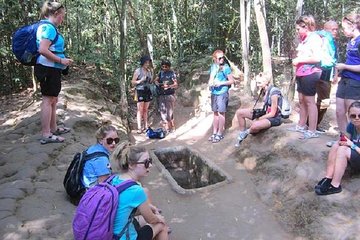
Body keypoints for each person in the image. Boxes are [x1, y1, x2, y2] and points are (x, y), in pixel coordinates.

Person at [111, 143, 169, 240]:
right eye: (146, 162)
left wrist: (149, 206)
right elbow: (150, 219)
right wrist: (159, 218)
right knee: (161, 224)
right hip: (122, 237)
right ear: (131, 165)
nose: (150, 165)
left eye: (150, 161)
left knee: (142, 220)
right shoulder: (136, 190)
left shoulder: (115, 179)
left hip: (108, 232)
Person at [36, 1, 73, 144]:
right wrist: (61, 60)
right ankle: (46, 133)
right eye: (62, 16)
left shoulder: (47, 27)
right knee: (48, 100)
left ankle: (53, 127)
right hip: (48, 68)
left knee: (53, 99)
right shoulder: (48, 28)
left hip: (52, 68)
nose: (62, 19)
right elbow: (42, 50)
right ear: (56, 14)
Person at [288, 15, 323, 139]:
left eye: (298, 29)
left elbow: (317, 57)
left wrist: (300, 60)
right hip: (301, 73)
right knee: (302, 100)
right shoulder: (304, 39)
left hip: (311, 73)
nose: (297, 31)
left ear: (306, 27)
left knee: (310, 102)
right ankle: (301, 125)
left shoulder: (315, 38)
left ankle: (312, 130)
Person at [315, 101, 360, 195]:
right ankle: (328, 177)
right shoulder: (352, 126)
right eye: (353, 116)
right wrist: (342, 141)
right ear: (348, 116)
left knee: (343, 150)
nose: (357, 118)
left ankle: (335, 185)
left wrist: (351, 145)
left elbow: (351, 144)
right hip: (356, 156)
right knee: (336, 145)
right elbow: (347, 140)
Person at [235, 74, 282, 147]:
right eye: (257, 82)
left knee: (254, 125)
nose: (257, 85)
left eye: (259, 83)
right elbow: (265, 105)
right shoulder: (264, 90)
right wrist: (255, 111)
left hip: (274, 117)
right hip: (265, 112)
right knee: (240, 113)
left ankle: (247, 132)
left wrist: (259, 119)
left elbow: (273, 113)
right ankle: (242, 133)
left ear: (266, 82)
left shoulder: (274, 93)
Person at [334, 13, 360, 137]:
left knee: (353, 114)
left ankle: (354, 142)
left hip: (355, 82)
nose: (343, 31)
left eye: (345, 28)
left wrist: (345, 66)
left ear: (353, 26)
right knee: (339, 111)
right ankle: (344, 138)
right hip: (344, 80)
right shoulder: (351, 41)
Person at [314, 20, 339, 132]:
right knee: (321, 101)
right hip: (318, 73)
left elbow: (335, 60)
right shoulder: (320, 39)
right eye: (332, 29)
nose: (335, 31)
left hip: (328, 75)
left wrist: (336, 74)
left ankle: (314, 124)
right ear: (325, 29)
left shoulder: (333, 43)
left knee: (323, 101)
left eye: (336, 29)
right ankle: (311, 124)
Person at [207, 50, 234, 143]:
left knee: (221, 113)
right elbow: (211, 78)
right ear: (214, 59)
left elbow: (231, 81)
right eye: (219, 58)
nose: (222, 59)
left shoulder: (226, 68)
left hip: (222, 92)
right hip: (214, 92)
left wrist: (221, 83)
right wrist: (210, 83)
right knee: (215, 113)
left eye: (223, 57)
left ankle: (220, 133)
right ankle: (214, 132)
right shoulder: (213, 67)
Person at [82, 124, 119, 188]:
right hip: (90, 190)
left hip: (84, 182)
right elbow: (103, 183)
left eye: (116, 140)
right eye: (110, 140)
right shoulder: (102, 159)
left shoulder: (93, 148)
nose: (114, 143)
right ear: (100, 140)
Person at [154, 59, 178, 133]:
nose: (164, 68)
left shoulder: (172, 73)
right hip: (161, 94)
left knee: (169, 112)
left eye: (166, 67)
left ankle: (172, 127)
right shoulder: (160, 73)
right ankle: (166, 128)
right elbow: (155, 80)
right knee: (162, 111)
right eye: (163, 66)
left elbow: (176, 84)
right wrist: (158, 84)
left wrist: (169, 86)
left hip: (169, 94)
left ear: (169, 67)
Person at [131, 56, 153, 134]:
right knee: (140, 110)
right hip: (140, 91)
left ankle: (146, 125)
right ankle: (139, 127)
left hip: (147, 90)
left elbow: (150, 81)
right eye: (146, 63)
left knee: (145, 109)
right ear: (143, 63)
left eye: (148, 63)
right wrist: (140, 80)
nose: (147, 64)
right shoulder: (138, 71)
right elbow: (133, 82)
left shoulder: (149, 71)